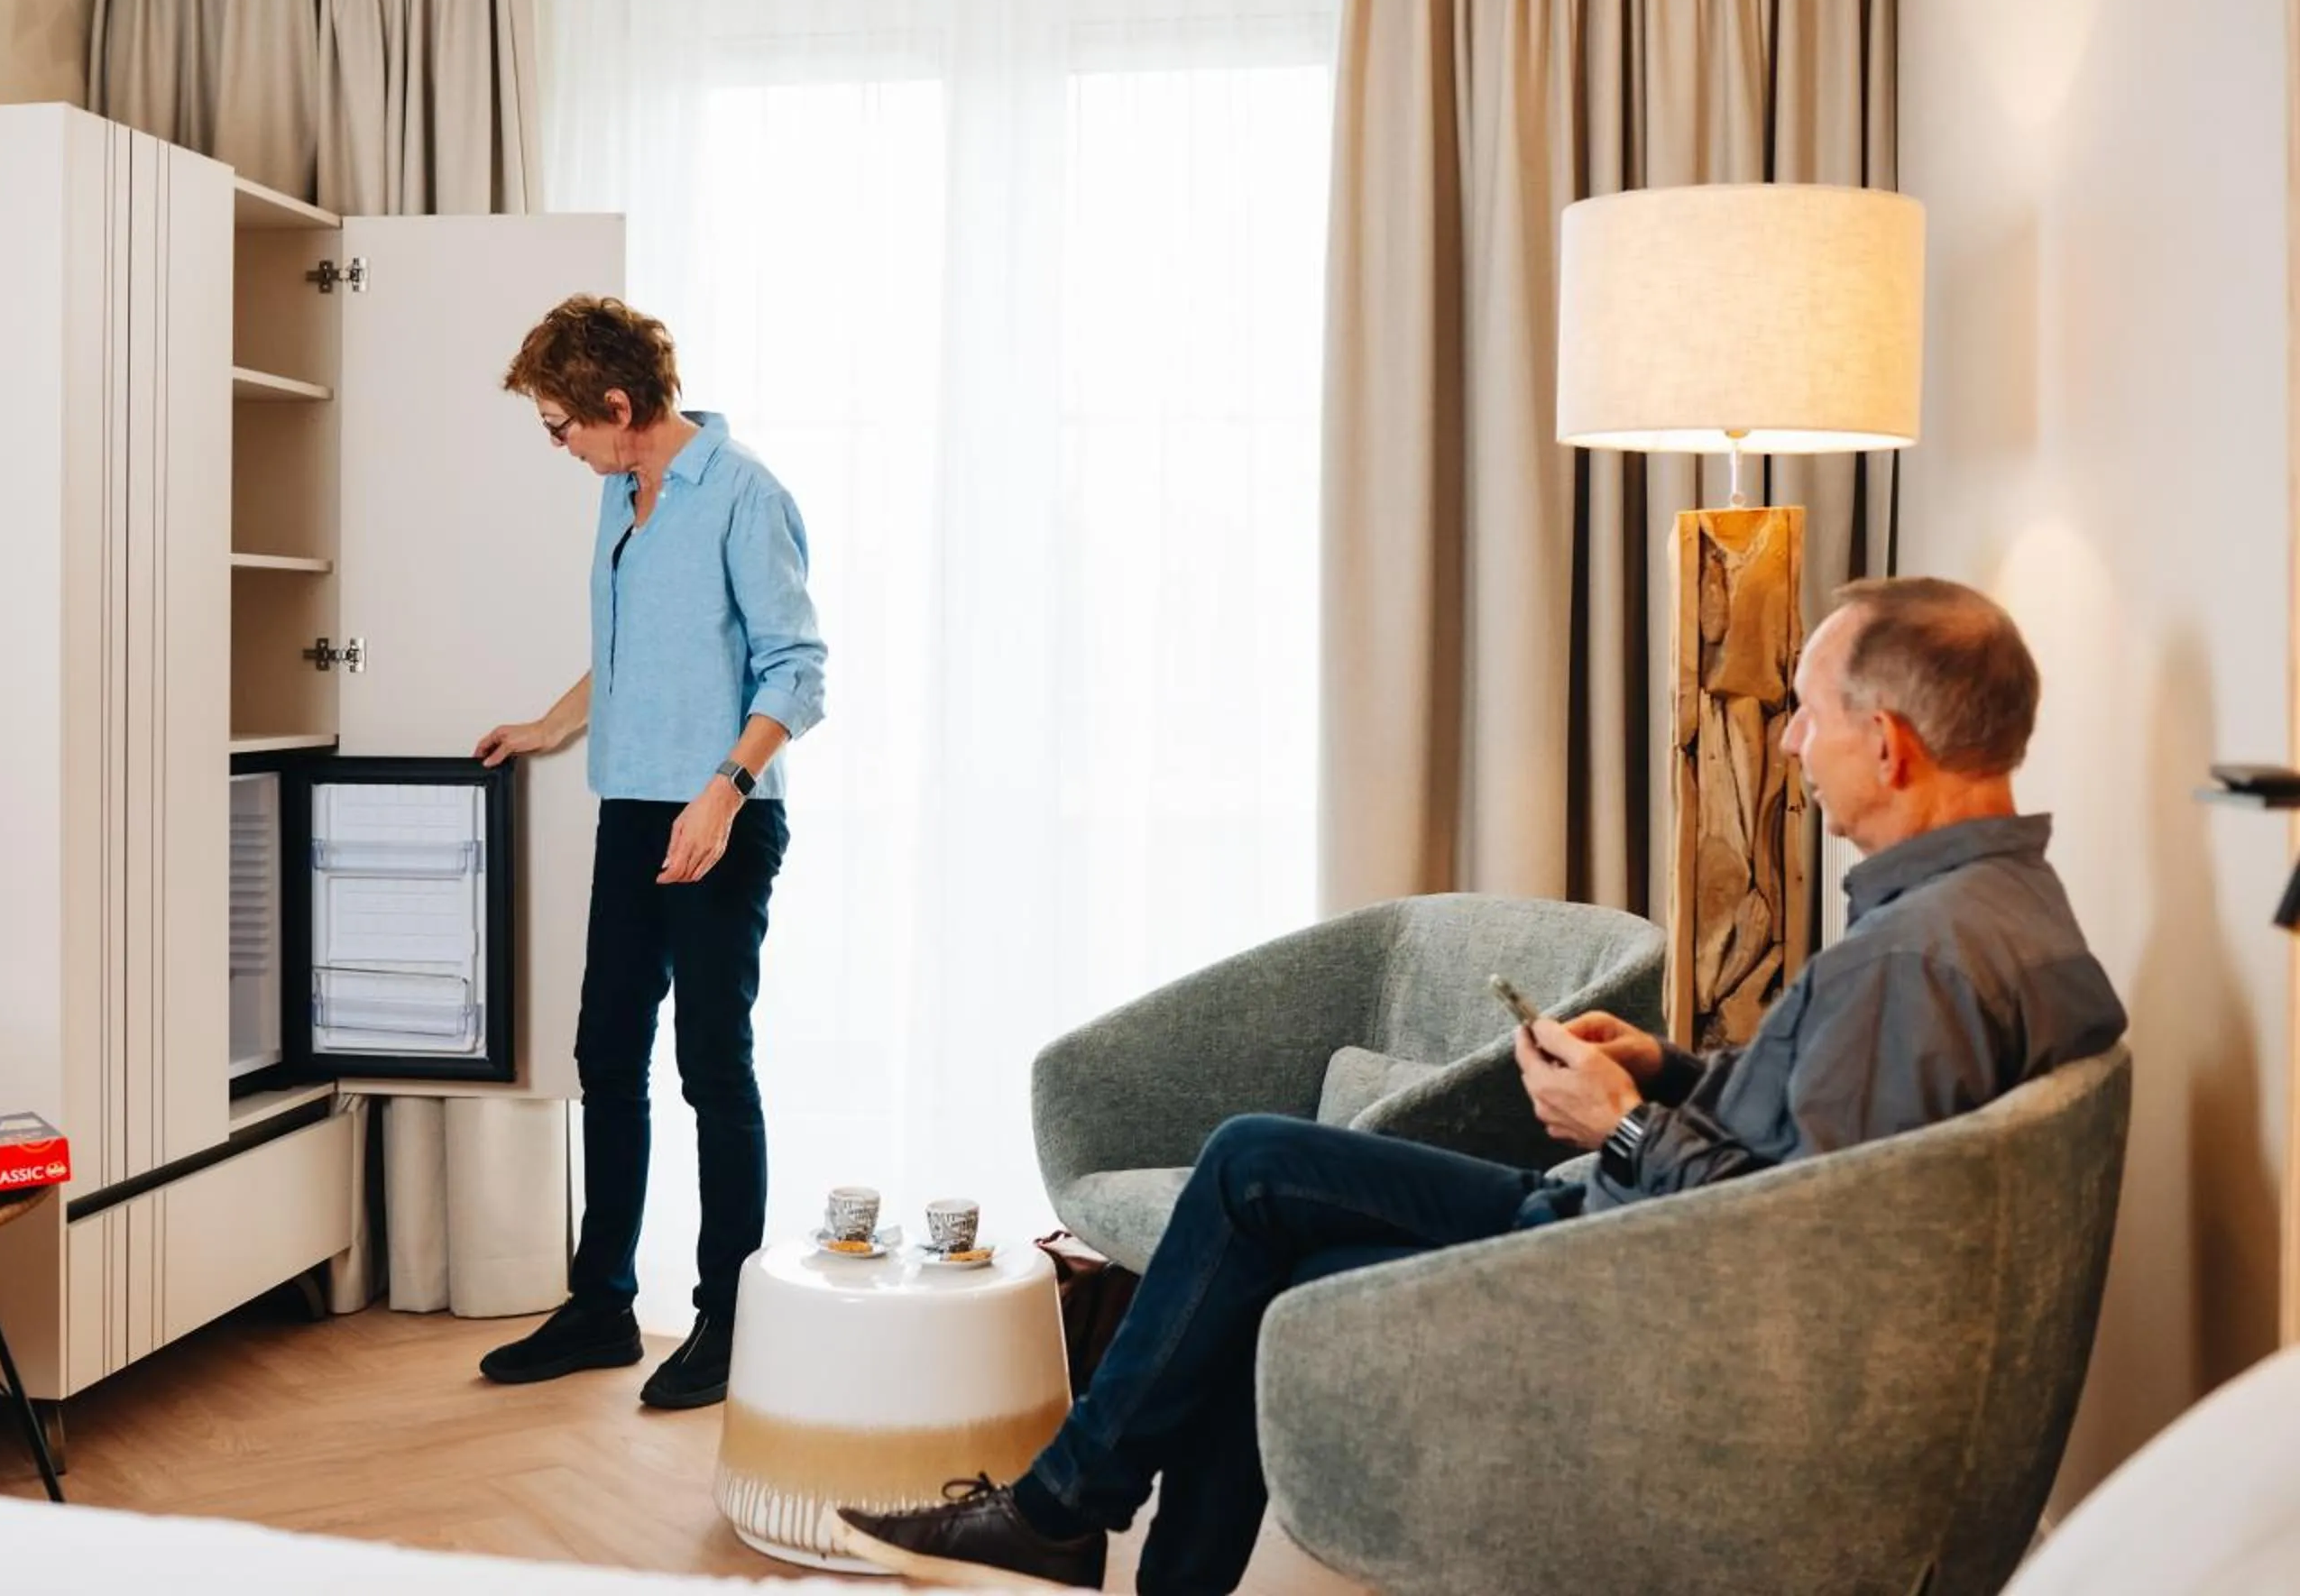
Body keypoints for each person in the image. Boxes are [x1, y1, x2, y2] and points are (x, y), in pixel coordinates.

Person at [836, 576, 2127, 1592]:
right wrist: (1668, 1068)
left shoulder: (1917, 957)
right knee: (1260, 1218)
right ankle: (1080, 1523)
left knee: (1249, 1170)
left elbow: (1792, 1241)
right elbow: (1831, 1138)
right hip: (1641, 1239)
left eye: (1807, 710)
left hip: (1628, 1279)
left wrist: (1620, 1132)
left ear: (1888, 746)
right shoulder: (1994, 910)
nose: (1789, 743)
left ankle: (1062, 1512)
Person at [473, 295, 826, 1411]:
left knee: (712, 1063)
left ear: (618, 405)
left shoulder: (745, 494)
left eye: (562, 425)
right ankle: (602, 1305)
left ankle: (730, 1317)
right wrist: (550, 722)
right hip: (630, 809)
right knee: (605, 1053)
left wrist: (722, 793)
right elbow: (630, 657)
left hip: (721, 815)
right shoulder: (622, 494)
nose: (561, 446)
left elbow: (797, 672)